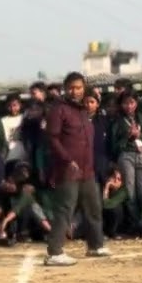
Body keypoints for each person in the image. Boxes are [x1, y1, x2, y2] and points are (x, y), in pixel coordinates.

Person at [43, 73, 111, 266]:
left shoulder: (83, 111)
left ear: (84, 88)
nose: (75, 91)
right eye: (71, 87)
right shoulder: (59, 110)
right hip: (68, 169)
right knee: (65, 210)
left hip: (87, 169)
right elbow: (53, 138)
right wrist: (66, 160)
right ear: (65, 88)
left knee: (93, 207)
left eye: (79, 87)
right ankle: (54, 252)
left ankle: (95, 246)